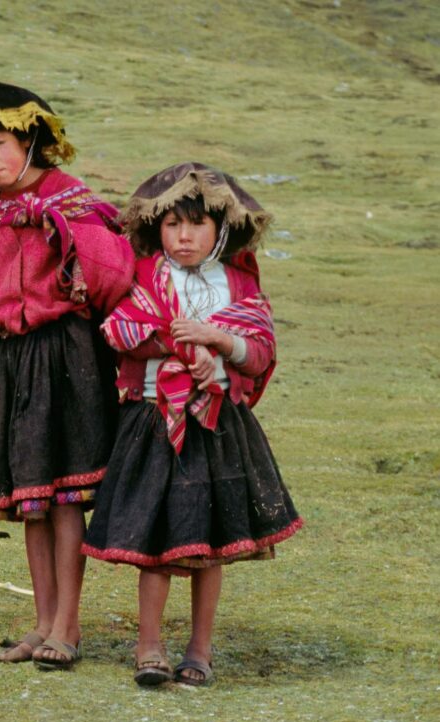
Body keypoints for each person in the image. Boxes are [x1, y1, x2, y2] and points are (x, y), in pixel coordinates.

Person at [0, 82, 135, 669]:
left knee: (65, 496)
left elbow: (111, 275)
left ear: (29, 138)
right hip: (1, 360)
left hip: (63, 358)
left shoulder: (71, 202)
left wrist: (65, 281)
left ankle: (67, 628)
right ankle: (41, 622)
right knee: (32, 500)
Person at [82, 162, 302, 687]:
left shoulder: (239, 283)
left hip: (219, 426)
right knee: (154, 544)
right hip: (153, 421)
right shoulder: (143, 276)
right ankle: (149, 646)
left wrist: (219, 348)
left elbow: (259, 348)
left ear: (221, 229)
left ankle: (200, 650)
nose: (184, 236)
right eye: (172, 225)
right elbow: (119, 332)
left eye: (197, 225)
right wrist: (183, 347)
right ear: (156, 228)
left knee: (211, 542)